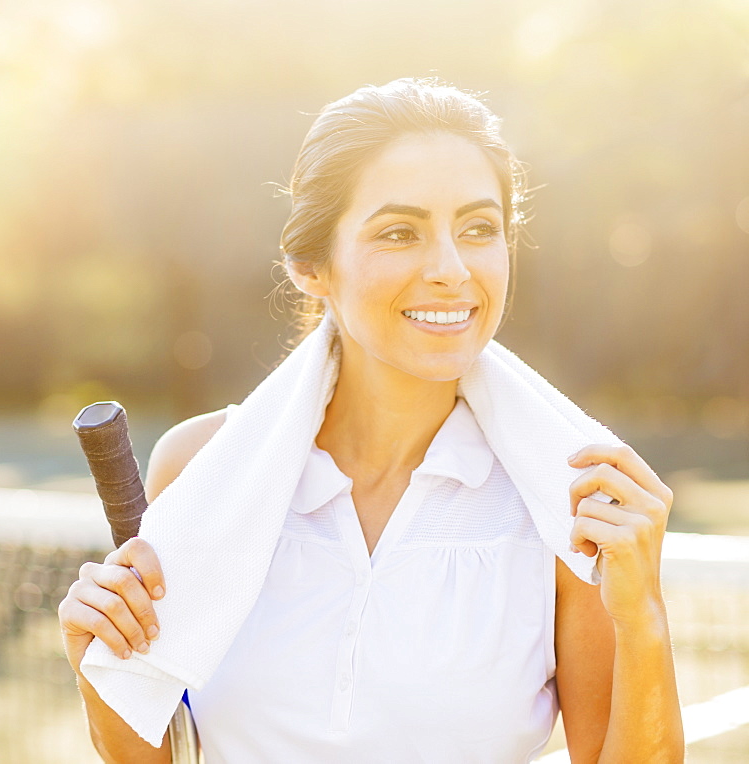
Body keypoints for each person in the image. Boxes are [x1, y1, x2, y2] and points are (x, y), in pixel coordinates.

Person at [58, 78, 684, 762]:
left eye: (478, 229)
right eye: (399, 232)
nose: (451, 269)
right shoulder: (202, 465)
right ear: (309, 266)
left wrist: (643, 614)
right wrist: (99, 662)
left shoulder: (565, 497)